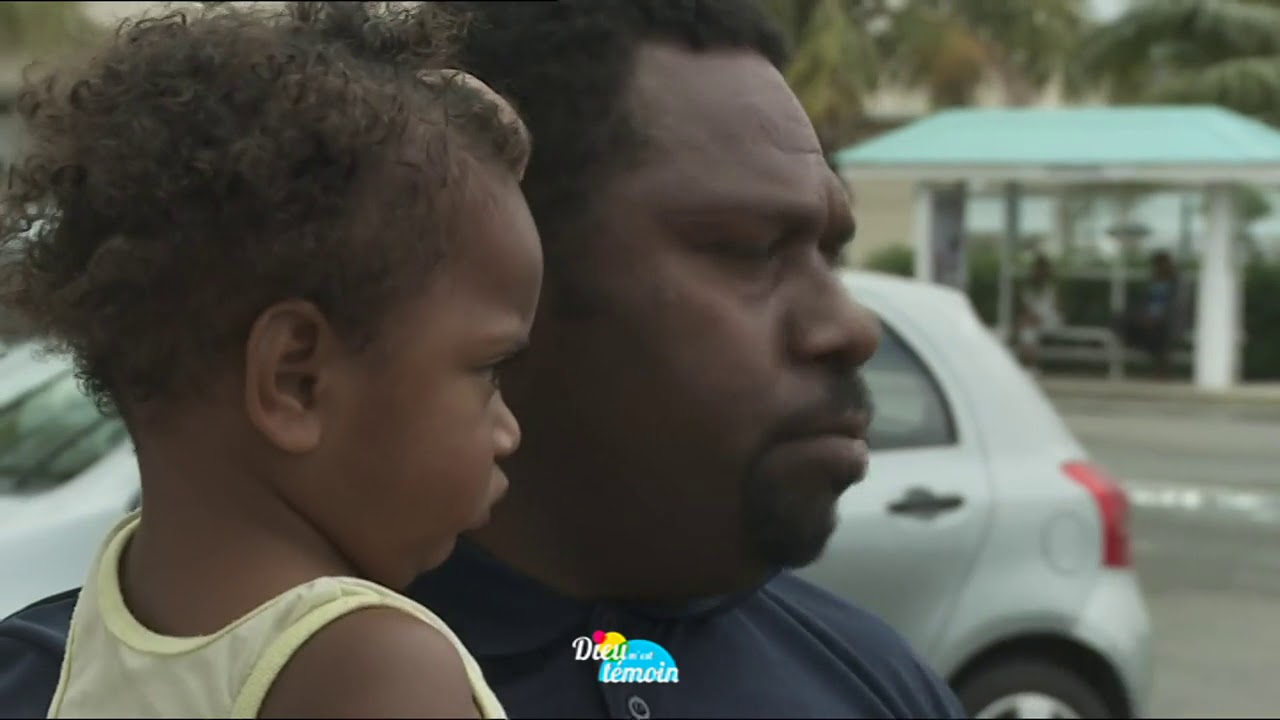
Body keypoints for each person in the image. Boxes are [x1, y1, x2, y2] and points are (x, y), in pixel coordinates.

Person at [0, 2, 968, 718]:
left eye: (828, 252)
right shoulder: (372, 675)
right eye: (746, 247)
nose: (850, 329)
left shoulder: (860, 674)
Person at [0, 3, 540, 718]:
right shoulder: (376, 671)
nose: (508, 431)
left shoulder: (105, 626)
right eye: (486, 371)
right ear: (296, 378)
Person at [1117, 250, 1184, 378]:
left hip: (1166, 320)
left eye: (1162, 264)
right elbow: (1143, 302)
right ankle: (1145, 350)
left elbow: (1177, 307)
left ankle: (1162, 369)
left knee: (1158, 334)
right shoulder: (1152, 282)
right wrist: (1142, 315)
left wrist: (1156, 318)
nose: (1160, 268)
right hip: (1147, 318)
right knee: (1121, 320)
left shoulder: (1177, 283)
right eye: (1158, 265)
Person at [1015, 254, 1063, 369]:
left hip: (1051, 321)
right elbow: (1026, 309)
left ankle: (1029, 365)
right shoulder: (1027, 289)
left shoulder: (1052, 288)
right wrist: (1030, 317)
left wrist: (1038, 318)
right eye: (1036, 269)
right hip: (1031, 323)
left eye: (1041, 269)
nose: (1038, 272)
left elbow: (1057, 309)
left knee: (1026, 329)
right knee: (1027, 331)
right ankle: (1030, 366)